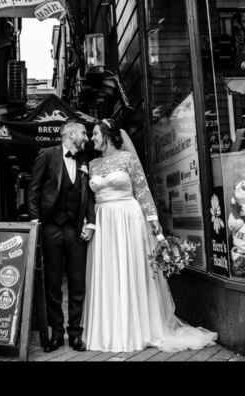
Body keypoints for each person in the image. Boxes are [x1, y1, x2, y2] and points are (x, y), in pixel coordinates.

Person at [81, 119, 217, 353]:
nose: (92, 138)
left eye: (95, 133)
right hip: (104, 222)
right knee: (108, 271)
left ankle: (139, 328)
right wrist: (88, 222)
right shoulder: (92, 164)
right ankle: (110, 329)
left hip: (128, 218)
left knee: (131, 269)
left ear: (108, 135)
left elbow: (142, 191)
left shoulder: (128, 159)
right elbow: (88, 199)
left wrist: (154, 223)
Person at [28, 120, 95, 352]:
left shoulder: (84, 161)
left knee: (78, 282)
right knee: (53, 282)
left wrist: (91, 223)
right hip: (51, 228)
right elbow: (33, 190)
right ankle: (56, 332)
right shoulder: (47, 155)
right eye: (84, 133)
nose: (87, 137)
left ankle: (75, 333)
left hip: (76, 230)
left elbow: (89, 196)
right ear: (71, 134)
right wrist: (35, 223)